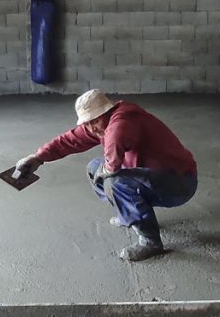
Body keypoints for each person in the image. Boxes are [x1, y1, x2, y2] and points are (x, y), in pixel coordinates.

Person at [15, 89, 198, 262]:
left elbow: (113, 160)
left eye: (93, 121)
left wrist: (108, 170)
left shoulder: (122, 121)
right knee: (94, 168)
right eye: (86, 122)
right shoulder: (100, 124)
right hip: (150, 176)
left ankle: (150, 241)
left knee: (116, 181)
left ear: (106, 112)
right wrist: (38, 157)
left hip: (179, 182)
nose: (91, 128)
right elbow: (68, 140)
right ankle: (128, 211)